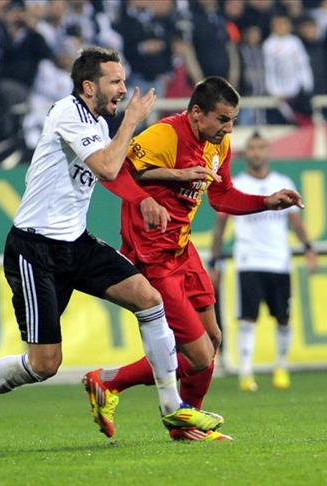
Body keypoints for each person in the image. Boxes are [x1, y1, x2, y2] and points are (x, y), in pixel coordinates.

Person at [0, 47, 223, 448]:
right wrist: (132, 122)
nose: (123, 89)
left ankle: (172, 406)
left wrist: (160, 184)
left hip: (76, 242)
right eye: (115, 82)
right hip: (35, 250)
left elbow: (117, 170)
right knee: (44, 364)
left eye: (123, 81)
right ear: (89, 87)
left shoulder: (97, 124)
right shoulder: (69, 113)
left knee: (149, 299)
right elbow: (106, 167)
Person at [87, 76, 304, 441]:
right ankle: (116, 385)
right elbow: (113, 171)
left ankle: (181, 421)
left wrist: (266, 203)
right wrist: (149, 196)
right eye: (223, 119)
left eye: (233, 120)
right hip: (152, 255)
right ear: (197, 113)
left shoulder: (219, 144)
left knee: (212, 338)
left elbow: (222, 196)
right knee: (200, 356)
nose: (229, 128)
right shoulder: (165, 135)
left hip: (182, 249)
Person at [209, 131, 318, 392]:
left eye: (261, 147)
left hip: (279, 261)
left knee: (283, 318)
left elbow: (296, 221)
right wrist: (214, 261)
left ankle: (281, 367)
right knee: (247, 318)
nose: (256, 152)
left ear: (267, 151)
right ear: (246, 153)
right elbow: (221, 224)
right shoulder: (237, 184)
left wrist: (309, 248)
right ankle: (246, 372)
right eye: (252, 148)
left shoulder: (282, 182)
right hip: (249, 261)